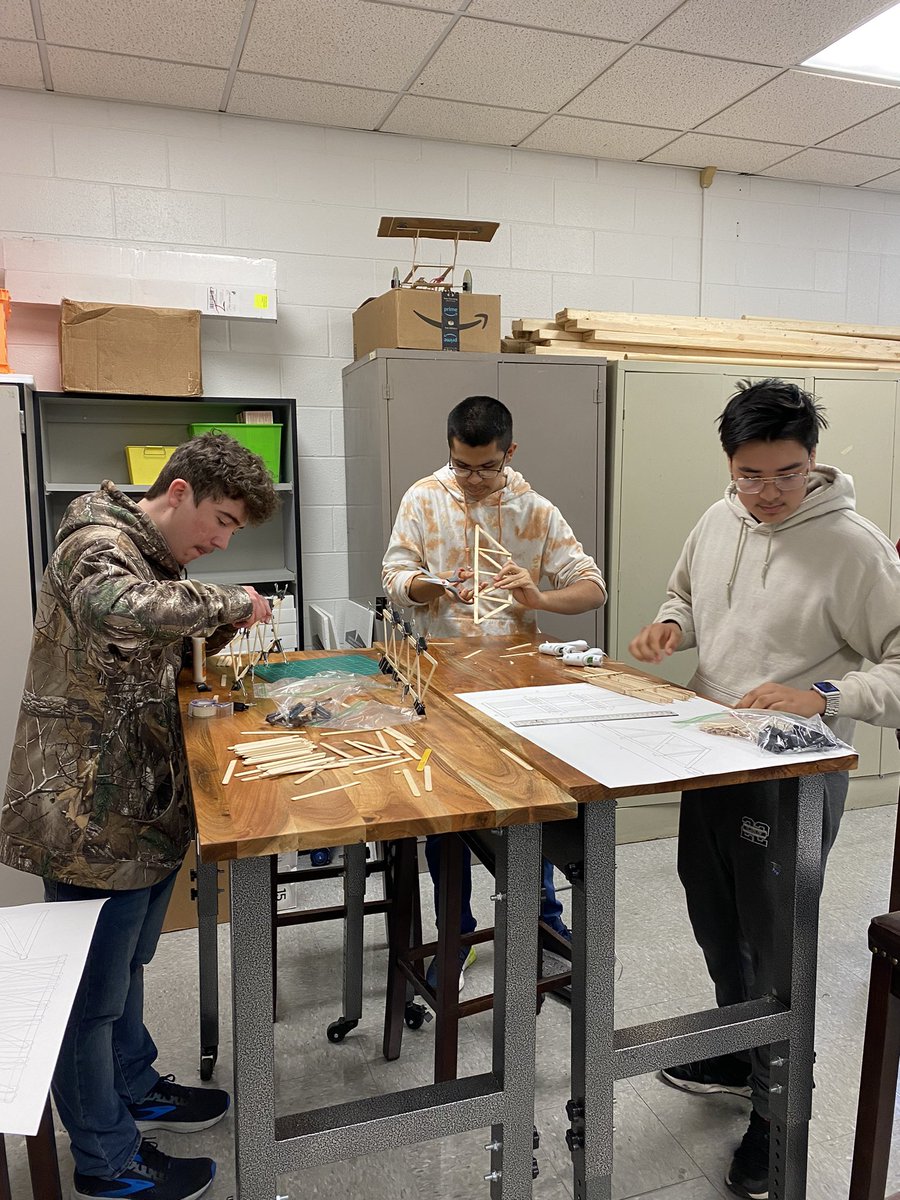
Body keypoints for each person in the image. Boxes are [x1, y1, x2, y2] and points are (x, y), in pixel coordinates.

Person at [628, 379, 900, 1200]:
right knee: (715, 920)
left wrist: (821, 695)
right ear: (731, 466)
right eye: (750, 475)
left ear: (812, 462)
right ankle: (746, 1055)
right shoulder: (719, 520)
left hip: (793, 776)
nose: (768, 492)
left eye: (785, 473)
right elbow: (686, 593)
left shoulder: (855, 547)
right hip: (710, 755)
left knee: (777, 944)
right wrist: (673, 625)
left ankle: (778, 1119)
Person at [0, 433, 279, 1200]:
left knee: (123, 970)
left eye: (233, 534)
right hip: (89, 814)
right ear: (179, 490)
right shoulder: (97, 543)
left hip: (140, 803)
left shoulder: (154, 558)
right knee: (91, 999)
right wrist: (231, 600)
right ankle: (107, 1161)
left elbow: (160, 640)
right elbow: (120, 610)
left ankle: (134, 1087)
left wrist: (221, 621)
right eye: (219, 521)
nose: (220, 542)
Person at [382, 395, 606, 989]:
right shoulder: (423, 497)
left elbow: (592, 590)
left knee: (530, 812)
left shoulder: (536, 511)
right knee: (446, 819)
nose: (475, 480)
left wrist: (539, 599)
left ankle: (545, 926)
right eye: (462, 466)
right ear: (450, 452)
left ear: (510, 452)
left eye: (486, 467)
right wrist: (432, 586)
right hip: (442, 681)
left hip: (518, 686)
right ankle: (453, 936)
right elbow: (394, 577)